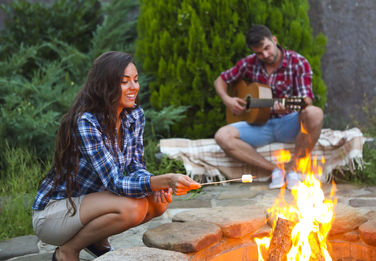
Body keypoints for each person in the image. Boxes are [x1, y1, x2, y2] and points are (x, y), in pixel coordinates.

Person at [32, 51, 201, 261]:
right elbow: (115, 182)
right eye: (124, 82)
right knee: (133, 208)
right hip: (56, 213)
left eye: (136, 80)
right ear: (105, 85)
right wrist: (164, 179)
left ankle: (95, 240)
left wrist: (155, 185)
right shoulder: (87, 121)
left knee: (158, 203)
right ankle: (67, 251)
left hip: (93, 203)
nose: (134, 88)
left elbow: (136, 165)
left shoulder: (134, 115)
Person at [214, 25, 323, 190]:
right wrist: (227, 99)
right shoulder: (249, 63)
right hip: (258, 125)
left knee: (315, 113)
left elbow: (306, 99)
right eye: (259, 52)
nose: (265, 55)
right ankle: (276, 171)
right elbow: (220, 80)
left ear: (274, 40)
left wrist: (288, 105)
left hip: (288, 122)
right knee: (222, 136)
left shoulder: (298, 62)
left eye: (267, 48)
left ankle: (293, 169)